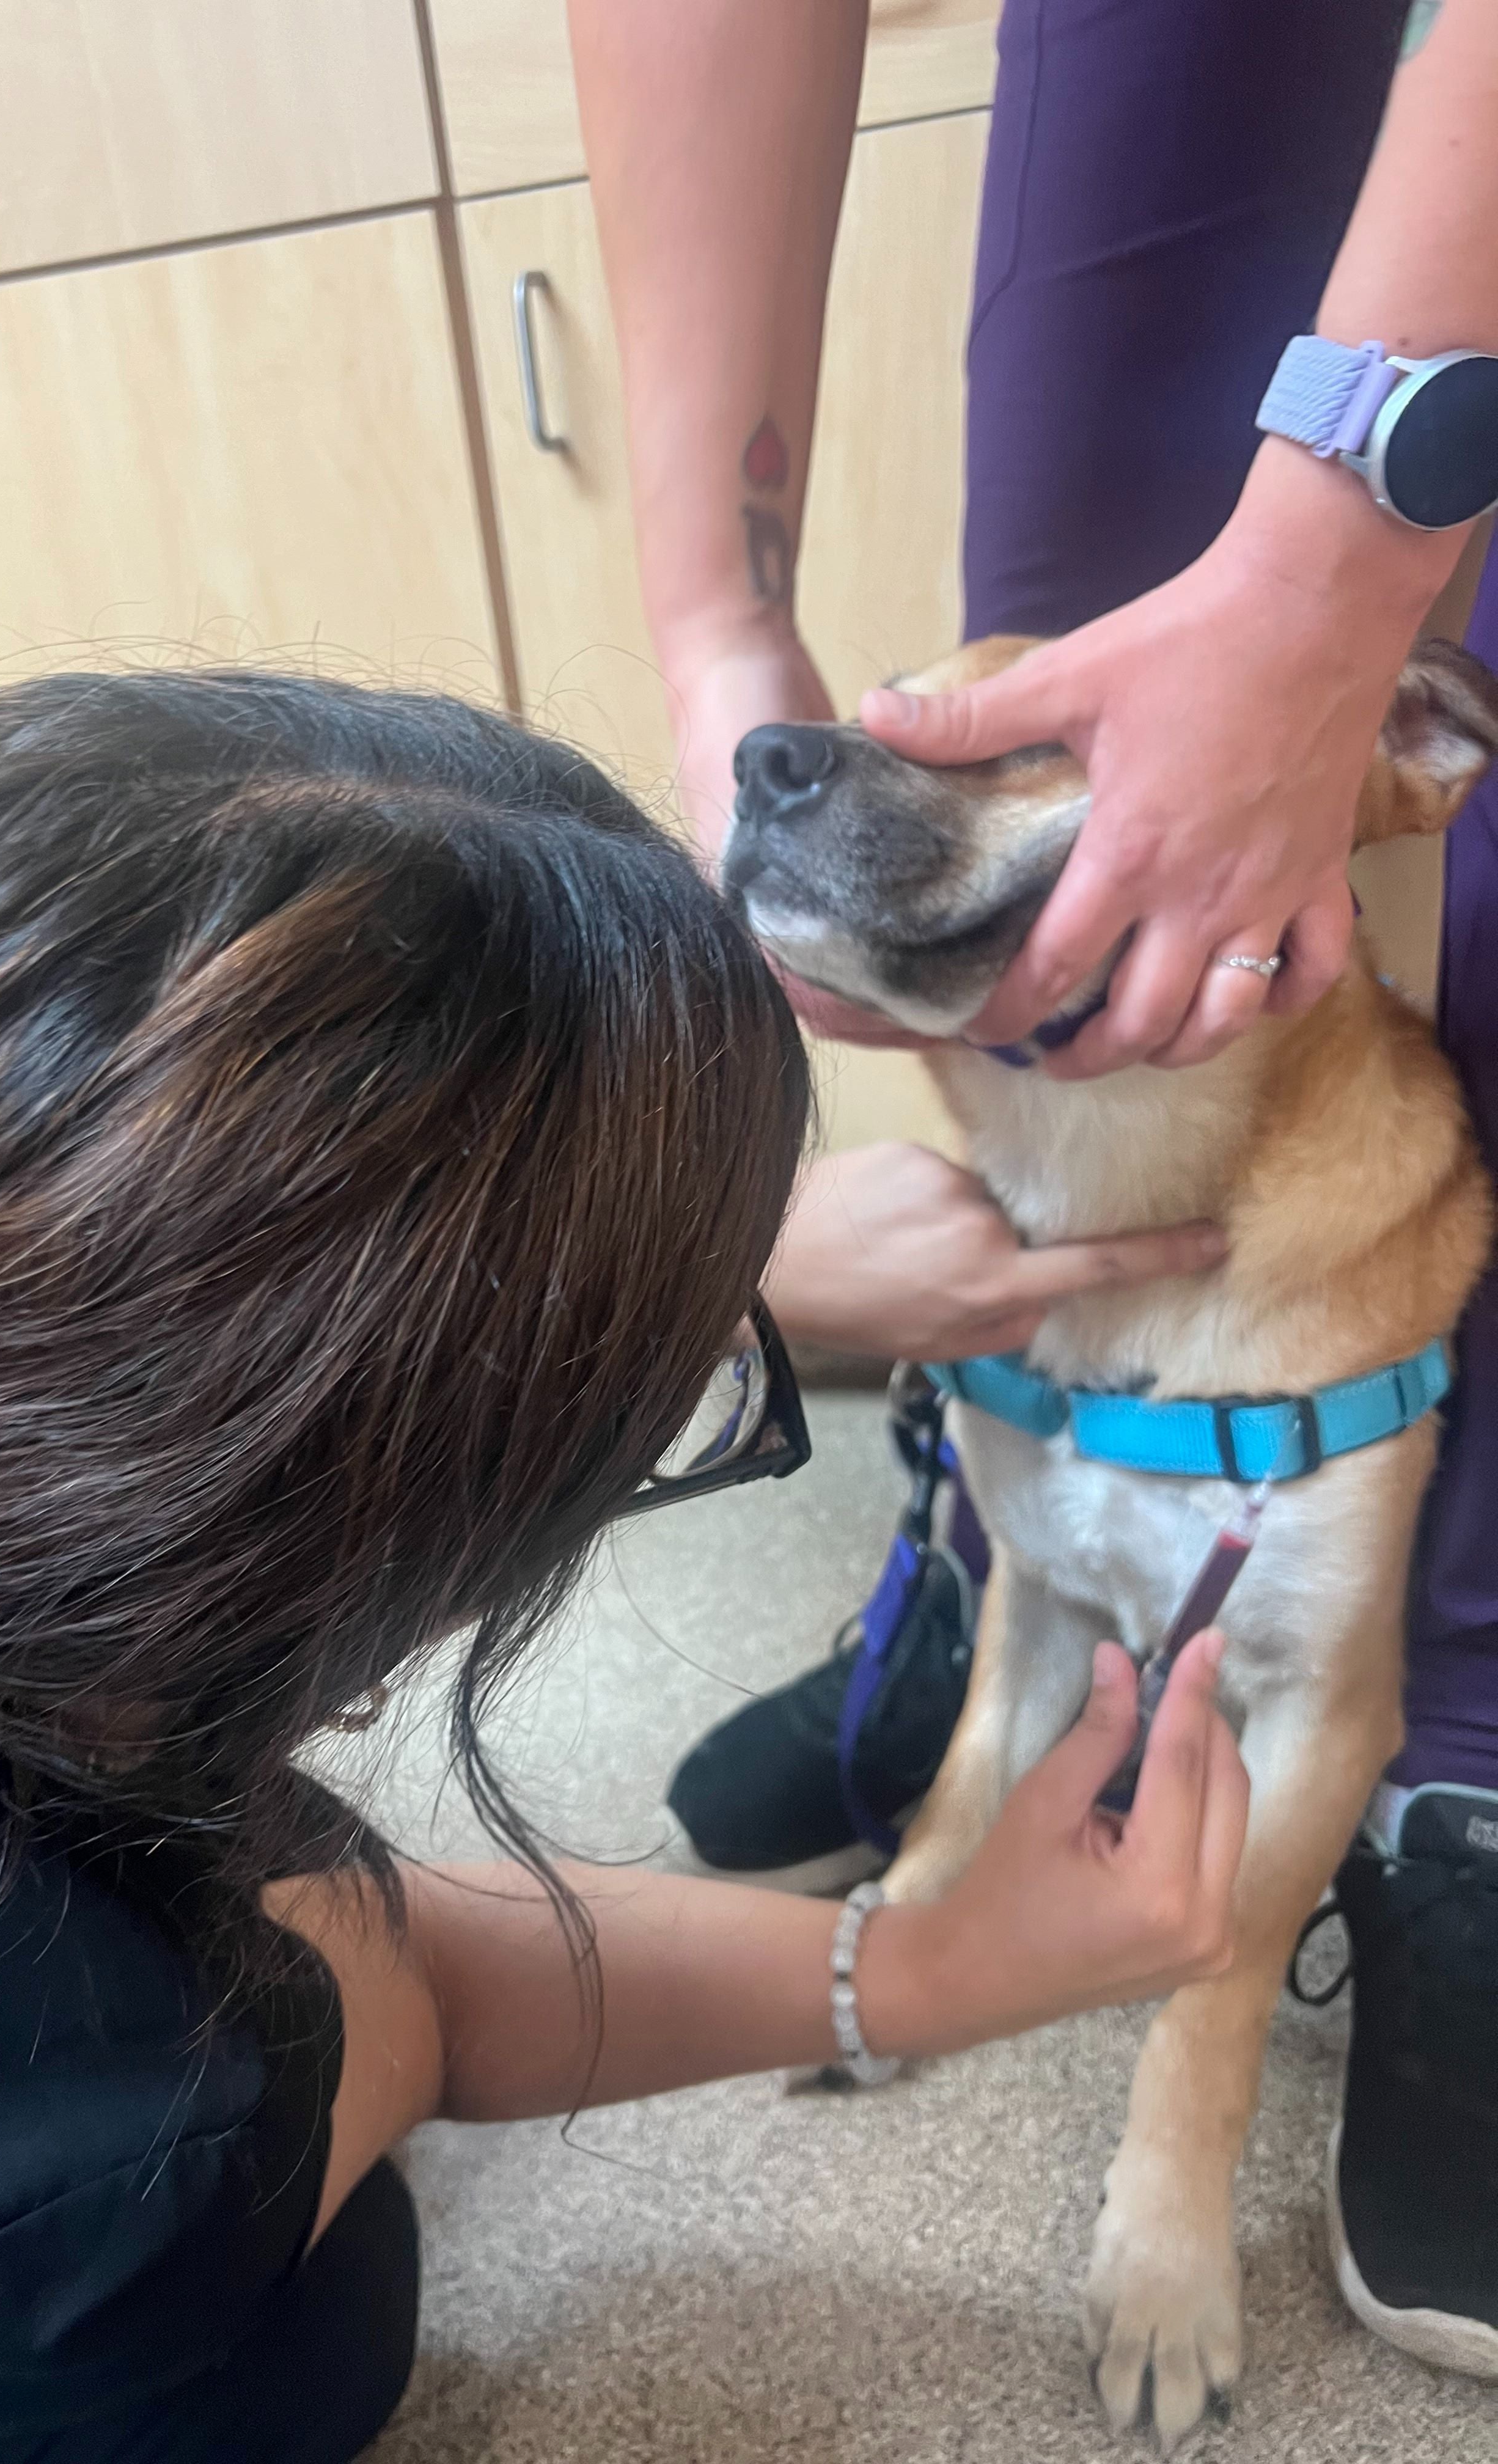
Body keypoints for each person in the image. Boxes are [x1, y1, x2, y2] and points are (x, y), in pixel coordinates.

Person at [0, 670, 1248, 2463]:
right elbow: (397, 1987)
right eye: (669, 1406)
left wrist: (930, 1961)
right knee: (310, 2328)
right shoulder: (7, 2139)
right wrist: (926, 1965)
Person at [569, 0, 1498, 2375]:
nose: (843, 761)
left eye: (1017, 747)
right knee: (1100, 477)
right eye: (930, 722)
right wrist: (717, 630)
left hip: (1306, 1264)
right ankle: (976, 1627)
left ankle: (1468, 1777)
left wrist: (1343, 597)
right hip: (1073, 1314)